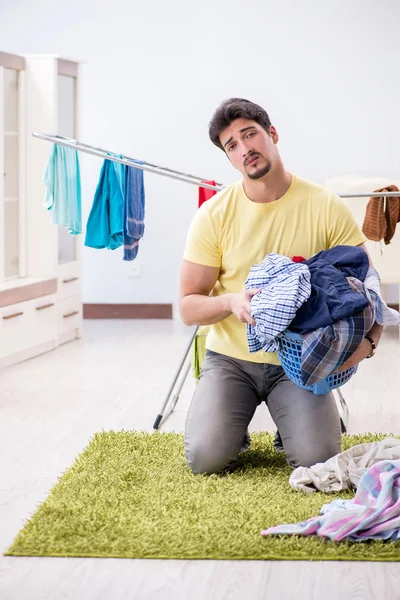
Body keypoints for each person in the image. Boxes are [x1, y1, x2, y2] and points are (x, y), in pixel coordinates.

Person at [179, 98, 382, 475]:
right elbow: (188, 305)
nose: (245, 149)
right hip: (231, 360)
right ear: (229, 159)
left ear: (272, 134)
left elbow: (371, 288)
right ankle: (232, 426)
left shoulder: (324, 205)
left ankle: (295, 424)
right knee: (206, 459)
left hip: (302, 361)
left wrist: (369, 344)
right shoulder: (213, 215)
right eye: (232, 146)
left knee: (316, 461)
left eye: (249, 134)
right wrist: (230, 302)